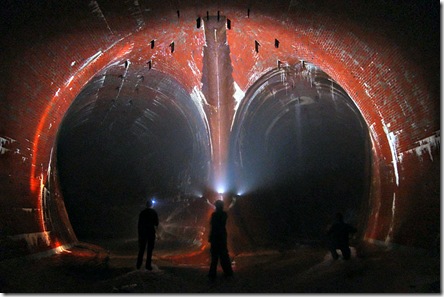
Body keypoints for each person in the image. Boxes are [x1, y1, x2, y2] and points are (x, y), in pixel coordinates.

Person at [208, 199, 233, 279]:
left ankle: (213, 274)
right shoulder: (224, 214)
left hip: (215, 236)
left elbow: (213, 226)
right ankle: (228, 272)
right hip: (221, 236)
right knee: (224, 255)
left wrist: (210, 236)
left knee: (215, 256)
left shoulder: (214, 215)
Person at [136, 198, 159, 270]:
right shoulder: (154, 212)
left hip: (143, 232)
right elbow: (156, 223)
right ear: (151, 205)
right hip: (151, 232)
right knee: (150, 249)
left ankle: (138, 265)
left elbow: (139, 224)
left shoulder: (142, 212)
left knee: (142, 249)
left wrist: (139, 234)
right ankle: (148, 265)